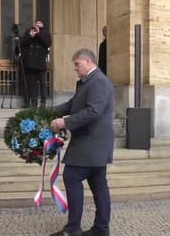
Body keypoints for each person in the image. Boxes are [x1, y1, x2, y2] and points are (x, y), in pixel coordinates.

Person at [50, 49, 114, 236]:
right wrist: (49, 112)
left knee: (72, 177)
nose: (75, 69)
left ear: (87, 61)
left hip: (90, 143)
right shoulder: (89, 82)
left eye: (77, 64)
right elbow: (72, 105)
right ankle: (101, 229)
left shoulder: (99, 82)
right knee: (98, 184)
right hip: (92, 145)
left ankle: (73, 229)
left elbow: (93, 111)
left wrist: (65, 122)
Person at [21, 20, 51, 107]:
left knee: (42, 84)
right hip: (30, 63)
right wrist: (30, 36)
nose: (38, 25)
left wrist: (39, 34)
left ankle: (43, 103)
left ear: (43, 25)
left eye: (40, 23)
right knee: (32, 85)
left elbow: (48, 44)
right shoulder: (29, 31)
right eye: (36, 23)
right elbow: (23, 44)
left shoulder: (45, 33)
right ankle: (33, 103)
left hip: (40, 63)